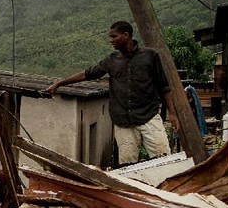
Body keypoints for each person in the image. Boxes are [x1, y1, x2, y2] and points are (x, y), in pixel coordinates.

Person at [47, 21, 179, 166]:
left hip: (149, 116)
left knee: (164, 161)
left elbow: (164, 86)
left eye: (114, 37)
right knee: (128, 166)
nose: (111, 40)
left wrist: (172, 114)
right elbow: (87, 74)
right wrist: (59, 84)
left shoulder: (150, 56)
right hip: (123, 121)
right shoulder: (111, 60)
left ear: (126, 35)